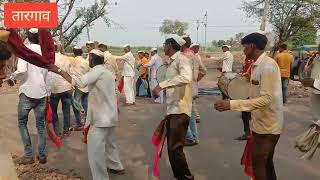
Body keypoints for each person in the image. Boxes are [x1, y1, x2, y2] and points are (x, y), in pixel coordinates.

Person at [215, 32, 284, 180]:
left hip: (269, 126)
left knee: (258, 164)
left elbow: (266, 99)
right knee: (266, 164)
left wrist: (232, 104)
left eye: (245, 47)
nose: (243, 50)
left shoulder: (268, 66)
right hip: (260, 123)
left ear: (252, 46)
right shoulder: (256, 65)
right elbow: (254, 90)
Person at [57, 49, 125, 180]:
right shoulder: (108, 72)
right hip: (110, 115)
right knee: (110, 143)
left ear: (93, 59)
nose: (88, 60)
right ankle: (116, 166)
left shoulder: (97, 71)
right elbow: (116, 92)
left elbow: (80, 82)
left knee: (95, 152)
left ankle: (100, 177)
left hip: (101, 118)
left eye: (89, 58)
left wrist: (60, 71)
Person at [153, 34, 194, 180]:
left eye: (165, 43)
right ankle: (182, 176)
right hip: (173, 109)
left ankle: (186, 177)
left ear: (170, 45)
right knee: (173, 149)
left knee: (174, 149)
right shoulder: (172, 61)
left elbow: (186, 77)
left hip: (180, 110)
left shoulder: (182, 59)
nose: (163, 46)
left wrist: (161, 86)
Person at [8, 28, 51, 164]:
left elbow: (21, 70)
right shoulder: (46, 53)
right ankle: (42, 155)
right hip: (42, 93)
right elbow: (48, 75)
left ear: (28, 36)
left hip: (27, 92)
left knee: (22, 122)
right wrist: (48, 93)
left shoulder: (25, 51)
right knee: (40, 125)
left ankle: (28, 155)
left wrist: (12, 77)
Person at [183, 42, 207, 146]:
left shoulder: (182, 57)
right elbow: (204, 70)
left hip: (184, 90)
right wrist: (196, 80)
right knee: (191, 116)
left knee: (182, 115)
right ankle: (195, 137)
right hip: (192, 90)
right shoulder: (195, 57)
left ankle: (189, 137)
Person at [49, 44, 73, 137]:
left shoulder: (49, 59)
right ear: (57, 48)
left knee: (54, 111)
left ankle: (56, 131)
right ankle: (66, 131)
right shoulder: (66, 58)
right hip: (66, 87)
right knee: (66, 111)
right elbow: (70, 72)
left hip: (54, 88)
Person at [70, 46, 90, 128]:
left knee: (75, 103)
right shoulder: (86, 62)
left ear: (74, 53)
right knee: (85, 103)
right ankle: (86, 121)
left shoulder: (72, 61)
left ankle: (79, 122)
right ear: (81, 52)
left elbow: (71, 73)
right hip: (86, 85)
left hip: (78, 86)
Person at [235, 57, 254, 141]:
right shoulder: (250, 62)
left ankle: (248, 133)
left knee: (245, 112)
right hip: (247, 89)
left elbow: (253, 79)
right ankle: (248, 133)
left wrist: (247, 76)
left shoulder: (253, 63)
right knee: (246, 113)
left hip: (249, 90)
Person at [301, 44, 320, 126]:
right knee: (315, 113)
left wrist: (315, 83)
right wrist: (304, 67)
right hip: (314, 90)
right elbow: (308, 72)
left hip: (316, 85)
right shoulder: (316, 58)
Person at [190, 43, 206, 123]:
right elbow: (203, 71)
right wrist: (196, 80)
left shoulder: (187, 57)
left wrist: (196, 80)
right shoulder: (197, 57)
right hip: (193, 85)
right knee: (191, 102)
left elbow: (203, 71)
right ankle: (196, 116)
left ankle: (195, 117)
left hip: (188, 85)